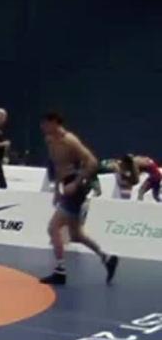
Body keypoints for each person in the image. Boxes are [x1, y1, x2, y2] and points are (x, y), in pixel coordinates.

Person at [38, 112, 117, 286]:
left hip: (76, 187)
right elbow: (58, 166)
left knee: (53, 228)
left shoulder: (70, 140)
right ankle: (107, 258)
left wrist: (76, 183)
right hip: (67, 185)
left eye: (45, 124)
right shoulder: (50, 140)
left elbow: (92, 162)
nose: (42, 127)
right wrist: (57, 190)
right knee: (76, 234)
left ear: (54, 123)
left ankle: (60, 271)